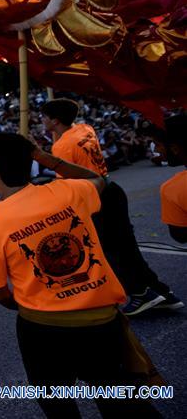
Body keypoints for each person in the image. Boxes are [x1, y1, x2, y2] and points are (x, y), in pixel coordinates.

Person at [0, 133, 161, 419]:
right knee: (121, 401)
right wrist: (45, 157)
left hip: (42, 328)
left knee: (56, 402)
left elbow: (1, 294)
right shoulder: (69, 191)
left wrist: (41, 300)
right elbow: (101, 180)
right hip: (102, 321)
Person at [41, 99, 180, 315]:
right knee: (127, 246)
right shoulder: (84, 128)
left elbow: (66, 181)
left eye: (45, 117)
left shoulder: (61, 147)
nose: (42, 121)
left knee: (111, 250)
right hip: (112, 188)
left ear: (55, 120)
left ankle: (140, 293)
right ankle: (158, 291)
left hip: (95, 197)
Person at [158, 114, 187, 244]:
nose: (157, 150)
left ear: (174, 148)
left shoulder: (173, 188)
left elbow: (180, 235)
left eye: (157, 144)